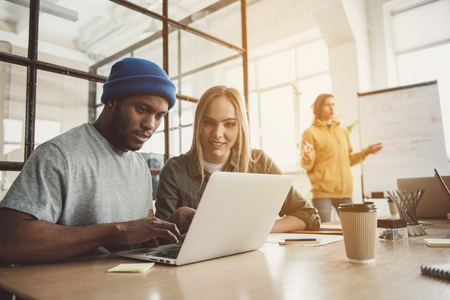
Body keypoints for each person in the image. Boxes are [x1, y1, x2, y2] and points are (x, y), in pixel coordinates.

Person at [0, 57, 195, 266]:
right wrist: (117, 230)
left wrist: (172, 224)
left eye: (159, 115)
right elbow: (9, 241)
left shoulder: (139, 165)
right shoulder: (59, 154)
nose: (150, 124)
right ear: (112, 100)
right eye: (142, 109)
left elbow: (139, 242)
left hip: (124, 287)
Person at [155, 85, 320, 232]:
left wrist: (257, 229)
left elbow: (308, 215)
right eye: (209, 122)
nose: (217, 134)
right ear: (199, 124)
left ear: (240, 126)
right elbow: (161, 237)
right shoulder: (175, 171)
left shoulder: (260, 162)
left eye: (229, 124)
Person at [301, 93, 383, 222]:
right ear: (319, 108)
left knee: (353, 229)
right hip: (322, 193)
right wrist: (308, 156)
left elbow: (348, 160)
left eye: (333, 104)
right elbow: (307, 165)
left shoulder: (343, 132)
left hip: (345, 192)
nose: (332, 108)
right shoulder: (310, 132)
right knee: (325, 232)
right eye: (327, 105)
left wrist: (367, 151)